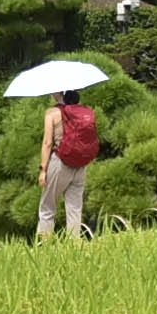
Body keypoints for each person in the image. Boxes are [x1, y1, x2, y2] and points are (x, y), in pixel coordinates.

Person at [36, 88, 99, 239]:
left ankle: (44, 247)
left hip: (60, 163)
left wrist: (43, 170)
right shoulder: (84, 112)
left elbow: (47, 143)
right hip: (81, 165)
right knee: (75, 208)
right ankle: (74, 246)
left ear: (57, 94)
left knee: (47, 207)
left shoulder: (52, 113)